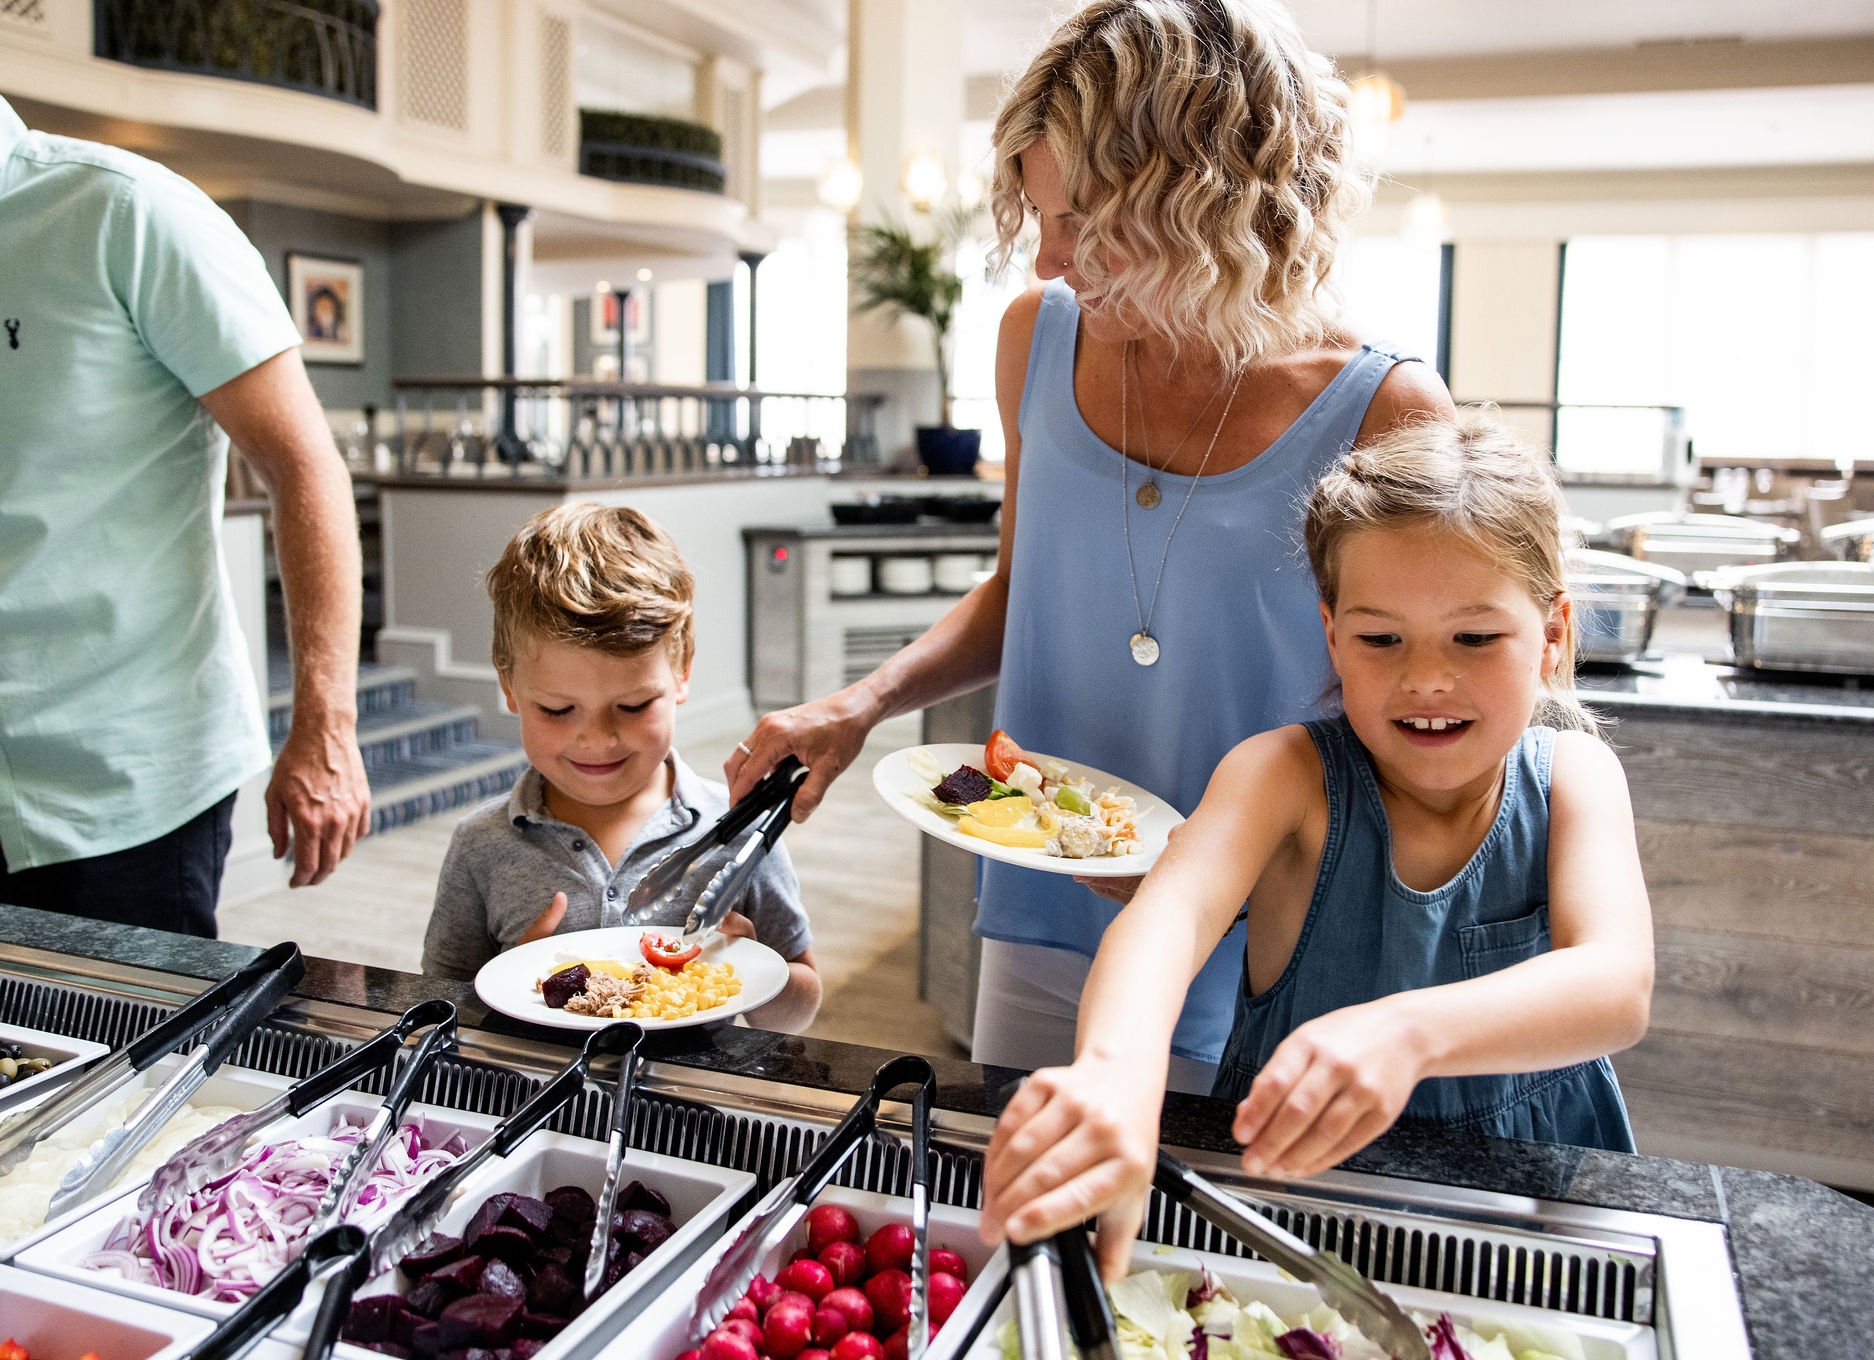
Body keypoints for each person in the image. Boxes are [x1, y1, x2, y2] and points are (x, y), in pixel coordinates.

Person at [727, 0, 1452, 1089]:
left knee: (1188, 1243)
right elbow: (1022, 587)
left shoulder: (1382, 410)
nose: (1056, 258)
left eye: (1090, 223)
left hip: (1254, 933)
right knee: (1024, 1218)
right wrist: (860, 705)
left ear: (1207, 201)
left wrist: (1231, 866)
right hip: (1037, 896)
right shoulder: (1036, 338)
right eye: (1041, 215)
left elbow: (1410, 724)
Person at [975, 415, 1656, 1271]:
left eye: (1476, 637)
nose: (1427, 679)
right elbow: (1168, 919)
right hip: (1292, 1213)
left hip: (1531, 1210)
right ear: (1332, 634)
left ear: (1552, 634)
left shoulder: (1574, 778)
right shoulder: (1283, 777)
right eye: (1381, 639)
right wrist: (1114, 1069)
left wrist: (1408, 1034)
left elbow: (1616, 985)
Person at [0, 95, 370, 935]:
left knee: (130, 1060)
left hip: (120, 785)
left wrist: (325, 727)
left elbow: (305, 467)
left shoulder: (126, 210)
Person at [424, 504, 822, 1033]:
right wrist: (509, 981)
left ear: (681, 671)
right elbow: (439, 1008)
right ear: (508, 687)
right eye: (557, 710)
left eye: (633, 707)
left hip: (689, 1109)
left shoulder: (739, 835)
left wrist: (755, 972)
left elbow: (798, 1011)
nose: (597, 739)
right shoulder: (481, 845)